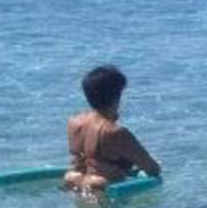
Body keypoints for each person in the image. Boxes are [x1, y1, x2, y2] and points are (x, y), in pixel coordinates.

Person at [63, 64, 161, 192]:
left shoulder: (73, 123)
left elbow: (89, 158)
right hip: (103, 193)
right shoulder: (115, 132)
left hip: (72, 185)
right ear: (116, 97)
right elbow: (152, 168)